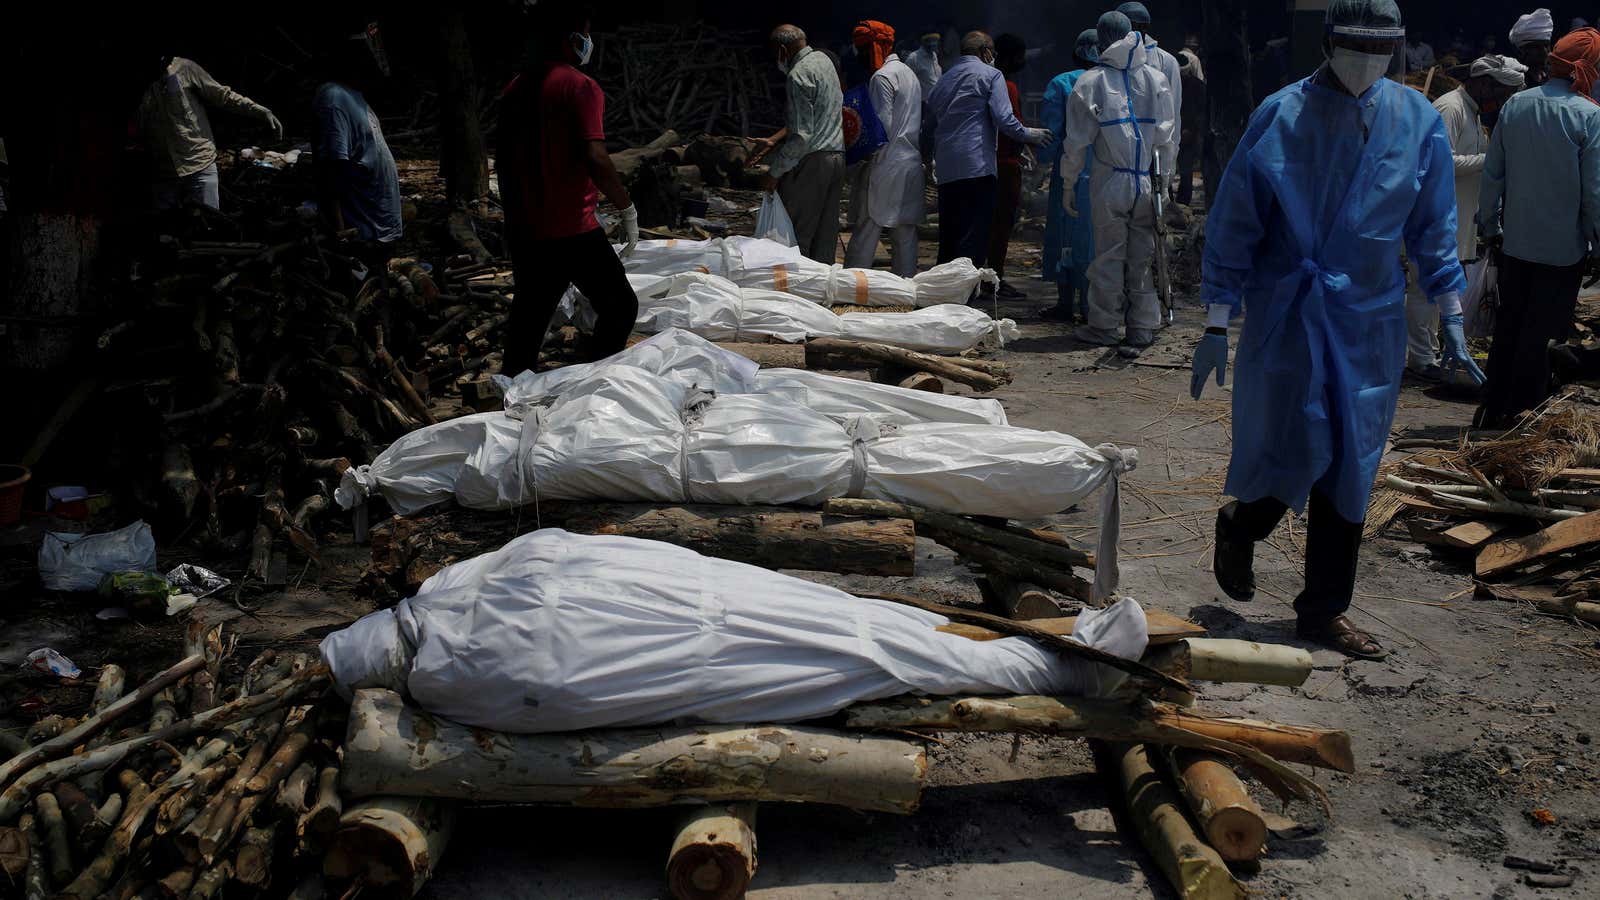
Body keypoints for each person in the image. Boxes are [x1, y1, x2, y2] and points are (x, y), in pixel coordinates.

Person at [1190, 0, 1471, 661]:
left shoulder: (1417, 121)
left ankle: (1322, 612)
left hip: (1368, 321)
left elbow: (1432, 225)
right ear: (1326, 42)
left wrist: (1451, 309)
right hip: (1291, 313)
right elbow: (1236, 221)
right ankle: (1242, 524)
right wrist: (1214, 318)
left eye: (1382, 48)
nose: (1367, 59)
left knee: (1352, 465)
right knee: (1293, 446)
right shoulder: (1281, 115)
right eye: (1355, 45)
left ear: (1399, 49)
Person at [496, 7, 640, 375]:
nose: (589, 43)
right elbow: (596, 156)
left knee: (530, 315)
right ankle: (597, 381)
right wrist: (626, 207)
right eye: (585, 34)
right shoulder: (579, 87)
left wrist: (513, 218)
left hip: (528, 226)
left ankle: (513, 387)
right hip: (572, 226)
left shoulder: (516, 87)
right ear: (570, 39)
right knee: (620, 306)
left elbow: (504, 162)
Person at [1475, 27, 1600, 429]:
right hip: (1562, 252)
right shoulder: (1589, 115)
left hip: (1516, 244)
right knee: (1543, 336)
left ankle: (1492, 407)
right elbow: (1593, 193)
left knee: (1510, 326)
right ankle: (1525, 419)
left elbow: (1493, 174)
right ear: (1586, 69)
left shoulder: (1516, 106)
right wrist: (1598, 247)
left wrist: (1490, 224)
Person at [1057, 12, 1176, 349]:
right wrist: (1164, 182)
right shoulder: (1155, 79)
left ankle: (1104, 326)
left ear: (1101, 40)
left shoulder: (1091, 81)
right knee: (1142, 257)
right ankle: (1141, 326)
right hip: (1146, 181)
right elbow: (1167, 138)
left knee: (1108, 256)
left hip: (1110, 181)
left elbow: (1077, 142)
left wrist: (1068, 184)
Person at [1405, 55, 1525, 379]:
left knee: (1439, 289)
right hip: (1435, 214)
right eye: (1500, 91)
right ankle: (1420, 359)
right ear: (1484, 82)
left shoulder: (1471, 111)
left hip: (1455, 215)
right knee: (1423, 289)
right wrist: (1491, 160)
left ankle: (1431, 351)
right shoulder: (1451, 107)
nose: (1500, 99)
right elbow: (1442, 162)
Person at [923, 31, 1051, 276]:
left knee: (949, 237)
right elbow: (1004, 119)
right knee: (973, 238)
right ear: (985, 51)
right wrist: (1030, 135)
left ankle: (942, 295)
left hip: (948, 169)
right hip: (977, 166)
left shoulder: (945, 78)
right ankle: (964, 301)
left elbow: (930, 122)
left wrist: (929, 158)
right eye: (991, 51)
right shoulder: (992, 75)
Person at [313, 23, 403, 285]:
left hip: (377, 232)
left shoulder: (354, 96)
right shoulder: (333, 98)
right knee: (365, 304)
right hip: (362, 235)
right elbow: (331, 171)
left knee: (380, 299)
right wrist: (340, 233)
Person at [139, 56, 282, 210]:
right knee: (168, 230)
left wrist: (260, 111)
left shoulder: (185, 68)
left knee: (208, 226)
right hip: (163, 172)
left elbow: (223, 96)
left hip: (199, 164)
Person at [758, 25, 846, 264]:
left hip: (812, 161)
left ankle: (798, 294)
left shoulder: (798, 75)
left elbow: (801, 136)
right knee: (825, 235)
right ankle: (821, 292)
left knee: (799, 235)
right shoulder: (824, 61)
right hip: (837, 156)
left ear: (782, 50)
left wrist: (775, 171)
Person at [844, 20, 923, 278]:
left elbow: (881, 128)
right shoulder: (910, 74)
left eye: (863, 50)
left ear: (872, 48)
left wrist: (858, 158)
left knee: (867, 228)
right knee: (905, 232)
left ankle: (853, 291)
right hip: (910, 162)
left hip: (885, 163)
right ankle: (905, 293)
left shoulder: (882, 77)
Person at [1040, 29, 1101, 323]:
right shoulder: (1112, 82)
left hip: (1069, 167)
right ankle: (1093, 305)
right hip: (1105, 169)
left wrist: (1041, 161)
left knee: (1065, 234)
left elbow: (1053, 132)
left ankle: (1065, 304)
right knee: (1095, 237)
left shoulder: (1061, 83)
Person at [985, 34, 1031, 300]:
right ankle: (996, 278)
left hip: (992, 160)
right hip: (1005, 162)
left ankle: (988, 277)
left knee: (992, 222)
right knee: (1001, 223)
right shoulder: (1007, 85)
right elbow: (1012, 125)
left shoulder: (989, 81)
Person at [1118, 2, 1183, 126]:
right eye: (1135, 26)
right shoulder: (1110, 60)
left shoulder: (1166, 61)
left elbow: (1173, 108)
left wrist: (1171, 145)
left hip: (1154, 138)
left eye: (1143, 26)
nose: (1141, 30)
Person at [1175, 36, 1207, 208]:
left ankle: (1182, 204)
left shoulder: (1196, 87)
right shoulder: (1170, 84)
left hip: (1186, 132)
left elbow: (1200, 111)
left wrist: (1191, 130)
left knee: (1185, 170)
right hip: (1175, 132)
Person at [1510, 8, 1555, 88]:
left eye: (1546, 46)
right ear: (1521, 51)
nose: (1544, 51)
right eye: (1536, 47)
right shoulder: (1512, 81)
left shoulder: (1553, 77)